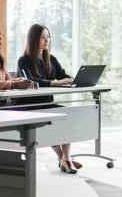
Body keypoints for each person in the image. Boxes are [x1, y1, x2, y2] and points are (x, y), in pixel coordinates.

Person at [16, 24, 82, 174]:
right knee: (50, 120)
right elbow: (30, 81)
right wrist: (54, 82)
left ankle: (66, 158)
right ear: (34, 40)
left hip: (46, 103)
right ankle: (65, 159)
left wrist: (72, 79)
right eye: (43, 38)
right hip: (28, 105)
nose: (47, 40)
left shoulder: (51, 59)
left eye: (48, 37)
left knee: (67, 116)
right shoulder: (23, 60)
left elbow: (63, 75)